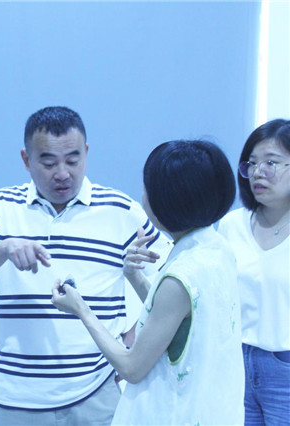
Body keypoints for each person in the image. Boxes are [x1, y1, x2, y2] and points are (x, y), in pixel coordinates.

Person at [0, 106, 171, 425]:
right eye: (48, 162)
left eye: (72, 160)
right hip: (16, 398)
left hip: (96, 396)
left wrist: (130, 343)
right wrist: (4, 247)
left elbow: (173, 283)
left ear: (86, 153)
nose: (63, 173)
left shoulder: (120, 210)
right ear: (26, 160)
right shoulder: (1, 205)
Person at [52, 139, 245, 425]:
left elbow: (132, 367)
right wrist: (133, 275)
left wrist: (81, 310)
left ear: (166, 201)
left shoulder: (182, 275)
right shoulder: (216, 249)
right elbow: (175, 319)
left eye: (147, 189)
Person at [218, 119, 290, 425]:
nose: (258, 172)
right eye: (252, 163)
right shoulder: (231, 225)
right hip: (235, 362)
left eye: (271, 163)